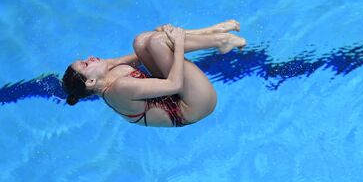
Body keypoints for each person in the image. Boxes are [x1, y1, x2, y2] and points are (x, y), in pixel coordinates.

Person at [62, 21, 246, 127]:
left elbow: (143, 53)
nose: (91, 57)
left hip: (176, 94)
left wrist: (169, 37)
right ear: (91, 81)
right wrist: (178, 42)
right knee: (157, 42)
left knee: (142, 41)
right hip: (196, 104)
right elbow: (175, 84)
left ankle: (212, 33)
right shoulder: (119, 88)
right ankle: (220, 40)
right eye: (86, 63)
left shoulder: (105, 76)